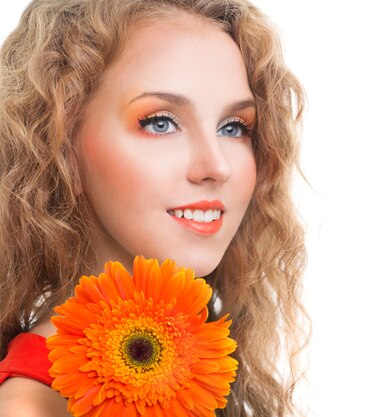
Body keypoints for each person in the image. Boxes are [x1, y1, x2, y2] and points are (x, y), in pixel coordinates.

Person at [0, 0, 309, 416]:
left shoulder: (204, 368)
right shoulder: (32, 403)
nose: (216, 166)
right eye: (160, 122)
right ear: (60, 151)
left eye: (234, 127)